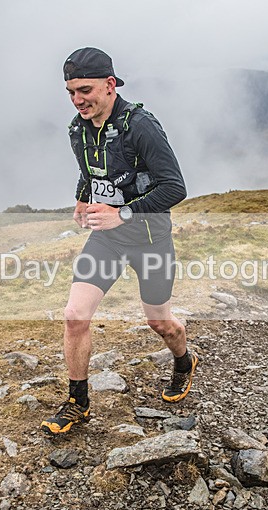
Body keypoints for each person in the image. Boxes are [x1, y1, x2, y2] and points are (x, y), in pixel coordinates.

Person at [41, 47, 196, 435]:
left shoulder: (140, 125)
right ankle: (78, 402)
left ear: (110, 85)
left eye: (85, 90)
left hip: (149, 239)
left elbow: (175, 187)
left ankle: (183, 361)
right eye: (71, 92)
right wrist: (82, 197)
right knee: (75, 316)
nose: (78, 100)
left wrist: (121, 213)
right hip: (107, 241)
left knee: (160, 322)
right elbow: (89, 170)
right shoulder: (79, 128)